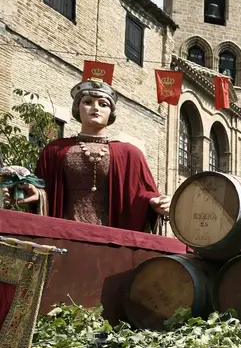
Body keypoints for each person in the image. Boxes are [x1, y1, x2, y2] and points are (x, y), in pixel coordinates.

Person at [2, 79, 171, 233]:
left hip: (111, 240)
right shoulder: (55, 150)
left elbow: (141, 194)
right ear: (77, 108)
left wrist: (155, 202)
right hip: (65, 235)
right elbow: (45, 189)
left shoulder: (130, 154)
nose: (95, 107)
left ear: (111, 112)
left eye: (103, 104)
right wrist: (36, 194)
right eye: (88, 102)